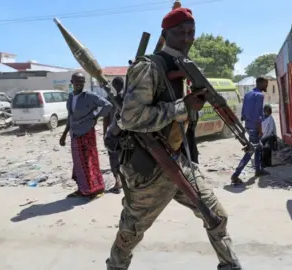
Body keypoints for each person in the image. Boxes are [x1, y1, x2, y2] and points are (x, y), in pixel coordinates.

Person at [105, 7, 241, 270]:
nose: (188, 38)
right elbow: (130, 118)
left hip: (179, 161)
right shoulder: (149, 67)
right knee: (131, 231)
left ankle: (230, 265)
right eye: (180, 33)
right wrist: (182, 106)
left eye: (191, 32)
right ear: (165, 34)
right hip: (149, 167)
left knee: (216, 217)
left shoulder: (185, 66)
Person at [59, 72, 113, 200]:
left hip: (87, 133)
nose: (80, 83)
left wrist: (95, 117)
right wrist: (64, 134)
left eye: (82, 81)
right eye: (77, 81)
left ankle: (95, 189)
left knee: (89, 161)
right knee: (78, 162)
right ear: (72, 82)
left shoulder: (90, 96)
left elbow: (108, 105)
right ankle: (82, 189)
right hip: (75, 134)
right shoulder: (71, 97)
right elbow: (70, 117)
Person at [230, 77, 269, 185]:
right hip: (254, 127)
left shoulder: (248, 94)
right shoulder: (259, 96)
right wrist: (260, 130)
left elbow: (243, 111)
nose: (267, 86)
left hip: (247, 125)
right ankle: (236, 175)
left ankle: (258, 170)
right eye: (266, 84)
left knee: (258, 147)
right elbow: (258, 115)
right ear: (260, 84)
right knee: (251, 150)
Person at [103, 76, 124, 194]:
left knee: (113, 158)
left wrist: (104, 133)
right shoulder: (128, 97)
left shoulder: (110, 99)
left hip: (114, 134)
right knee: (125, 158)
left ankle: (118, 182)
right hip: (127, 134)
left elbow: (106, 119)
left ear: (114, 86)